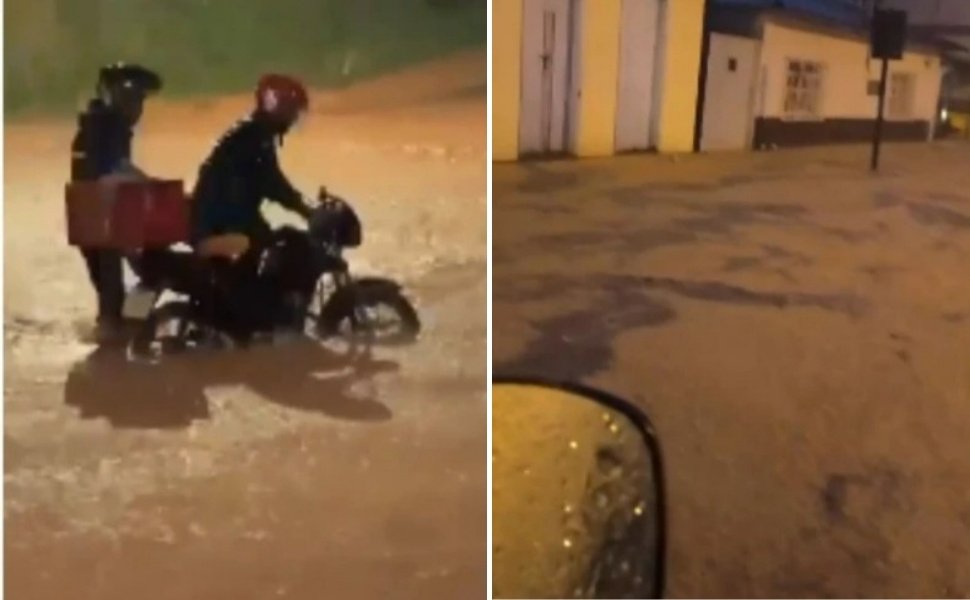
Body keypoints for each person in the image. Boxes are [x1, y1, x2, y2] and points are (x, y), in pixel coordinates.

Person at [190, 74, 316, 340]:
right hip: (224, 223)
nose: (294, 120)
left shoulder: (252, 133)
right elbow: (273, 183)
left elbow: (269, 182)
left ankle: (256, 322)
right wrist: (307, 210)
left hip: (219, 220)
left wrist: (301, 204)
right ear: (279, 108)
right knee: (289, 245)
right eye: (291, 112)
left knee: (273, 244)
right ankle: (264, 325)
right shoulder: (253, 137)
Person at [70, 63, 162, 341]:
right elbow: (114, 170)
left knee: (110, 294)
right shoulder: (108, 124)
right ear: (113, 94)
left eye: (140, 99)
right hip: (102, 217)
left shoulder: (95, 120)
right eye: (131, 97)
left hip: (86, 214)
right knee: (123, 285)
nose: (136, 106)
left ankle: (115, 337)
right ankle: (116, 345)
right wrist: (152, 186)